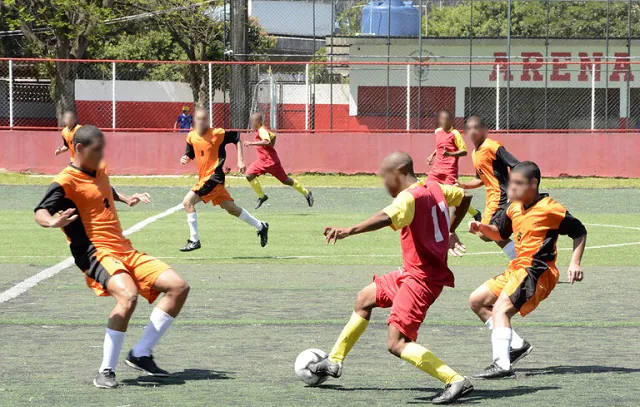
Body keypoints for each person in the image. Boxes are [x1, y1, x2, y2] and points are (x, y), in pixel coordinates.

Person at [310, 152, 474, 405]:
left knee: (396, 343)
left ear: (397, 172)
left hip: (421, 281)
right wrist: (451, 229)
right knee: (365, 298)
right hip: (411, 273)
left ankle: (454, 379)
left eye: (384, 177)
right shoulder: (434, 188)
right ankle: (334, 361)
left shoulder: (408, 197)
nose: (384, 183)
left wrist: (349, 230)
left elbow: (385, 217)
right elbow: (465, 197)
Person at [34, 125, 190, 389]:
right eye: (96, 150)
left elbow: (105, 187)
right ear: (79, 149)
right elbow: (41, 210)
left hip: (123, 248)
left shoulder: (99, 168)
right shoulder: (65, 181)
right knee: (128, 296)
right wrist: (51, 222)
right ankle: (106, 370)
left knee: (178, 287)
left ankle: (141, 353)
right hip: (94, 251)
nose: (101, 154)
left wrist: (126, 198)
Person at [467, 161, 587, 379]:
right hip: (517, 268)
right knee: (477, 300)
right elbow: (500, 234)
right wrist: (481, 228)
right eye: (511, 183)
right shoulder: (513, 207)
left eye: (518, 184)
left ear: (534, 183)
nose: (512, 189)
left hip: (538, 271)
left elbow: (579, 230)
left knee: (501, 309)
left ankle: (502, 366)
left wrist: (575, 262)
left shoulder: (551, 208)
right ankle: (517, 345)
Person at [180, 107, 268, 252]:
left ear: (208, 120)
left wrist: (240, 160)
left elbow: (236, 138)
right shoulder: (190, 136)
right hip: (205, 178)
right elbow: (189, 154)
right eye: (199, 119)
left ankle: (194, 240)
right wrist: (185, 158)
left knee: (187, 202)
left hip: (214, 177)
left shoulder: (217, 133)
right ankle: (261, 226)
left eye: (205, 119)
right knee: (231, 209)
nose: (202, 122)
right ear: (194, 120)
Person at [458, 116, 519, 260]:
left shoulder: (492, 146)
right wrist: (463, 185)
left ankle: (524, 262)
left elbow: (516, 165)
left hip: (501, 196)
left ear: (484, 130)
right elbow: (480, 179)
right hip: (492, 198)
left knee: (486, 232)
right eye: (469, 128)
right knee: (491, 234)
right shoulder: (474, 153)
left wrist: (514, 189)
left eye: (476, 128)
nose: (473, 131)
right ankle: (523, 262)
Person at [244, 113, 314, 209]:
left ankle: (306, 193)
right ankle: (262, 196)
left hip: (271, 162)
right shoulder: (261, 130)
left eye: (254, 121)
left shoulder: (262, 130)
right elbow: (273, 136)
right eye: (251, 121)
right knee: (249, 175)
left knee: (285, 180)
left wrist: (252, 143)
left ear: (260, 122)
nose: (252, 123)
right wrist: (270, 147)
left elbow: (267, 141)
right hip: (262, 161)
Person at [427, 110, 482, 222]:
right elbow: (440, 146)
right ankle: (432, 219)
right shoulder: (437, 131)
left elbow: (464, 151)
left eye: (446, 120)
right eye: (441, 119)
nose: (443, 122)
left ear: (451, 121)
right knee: (428, 190)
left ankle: (475, 213)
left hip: (449, 170)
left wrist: (449, 154)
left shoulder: (455, 134)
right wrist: (432, 155)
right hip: (437, 169)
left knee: (457, 196)